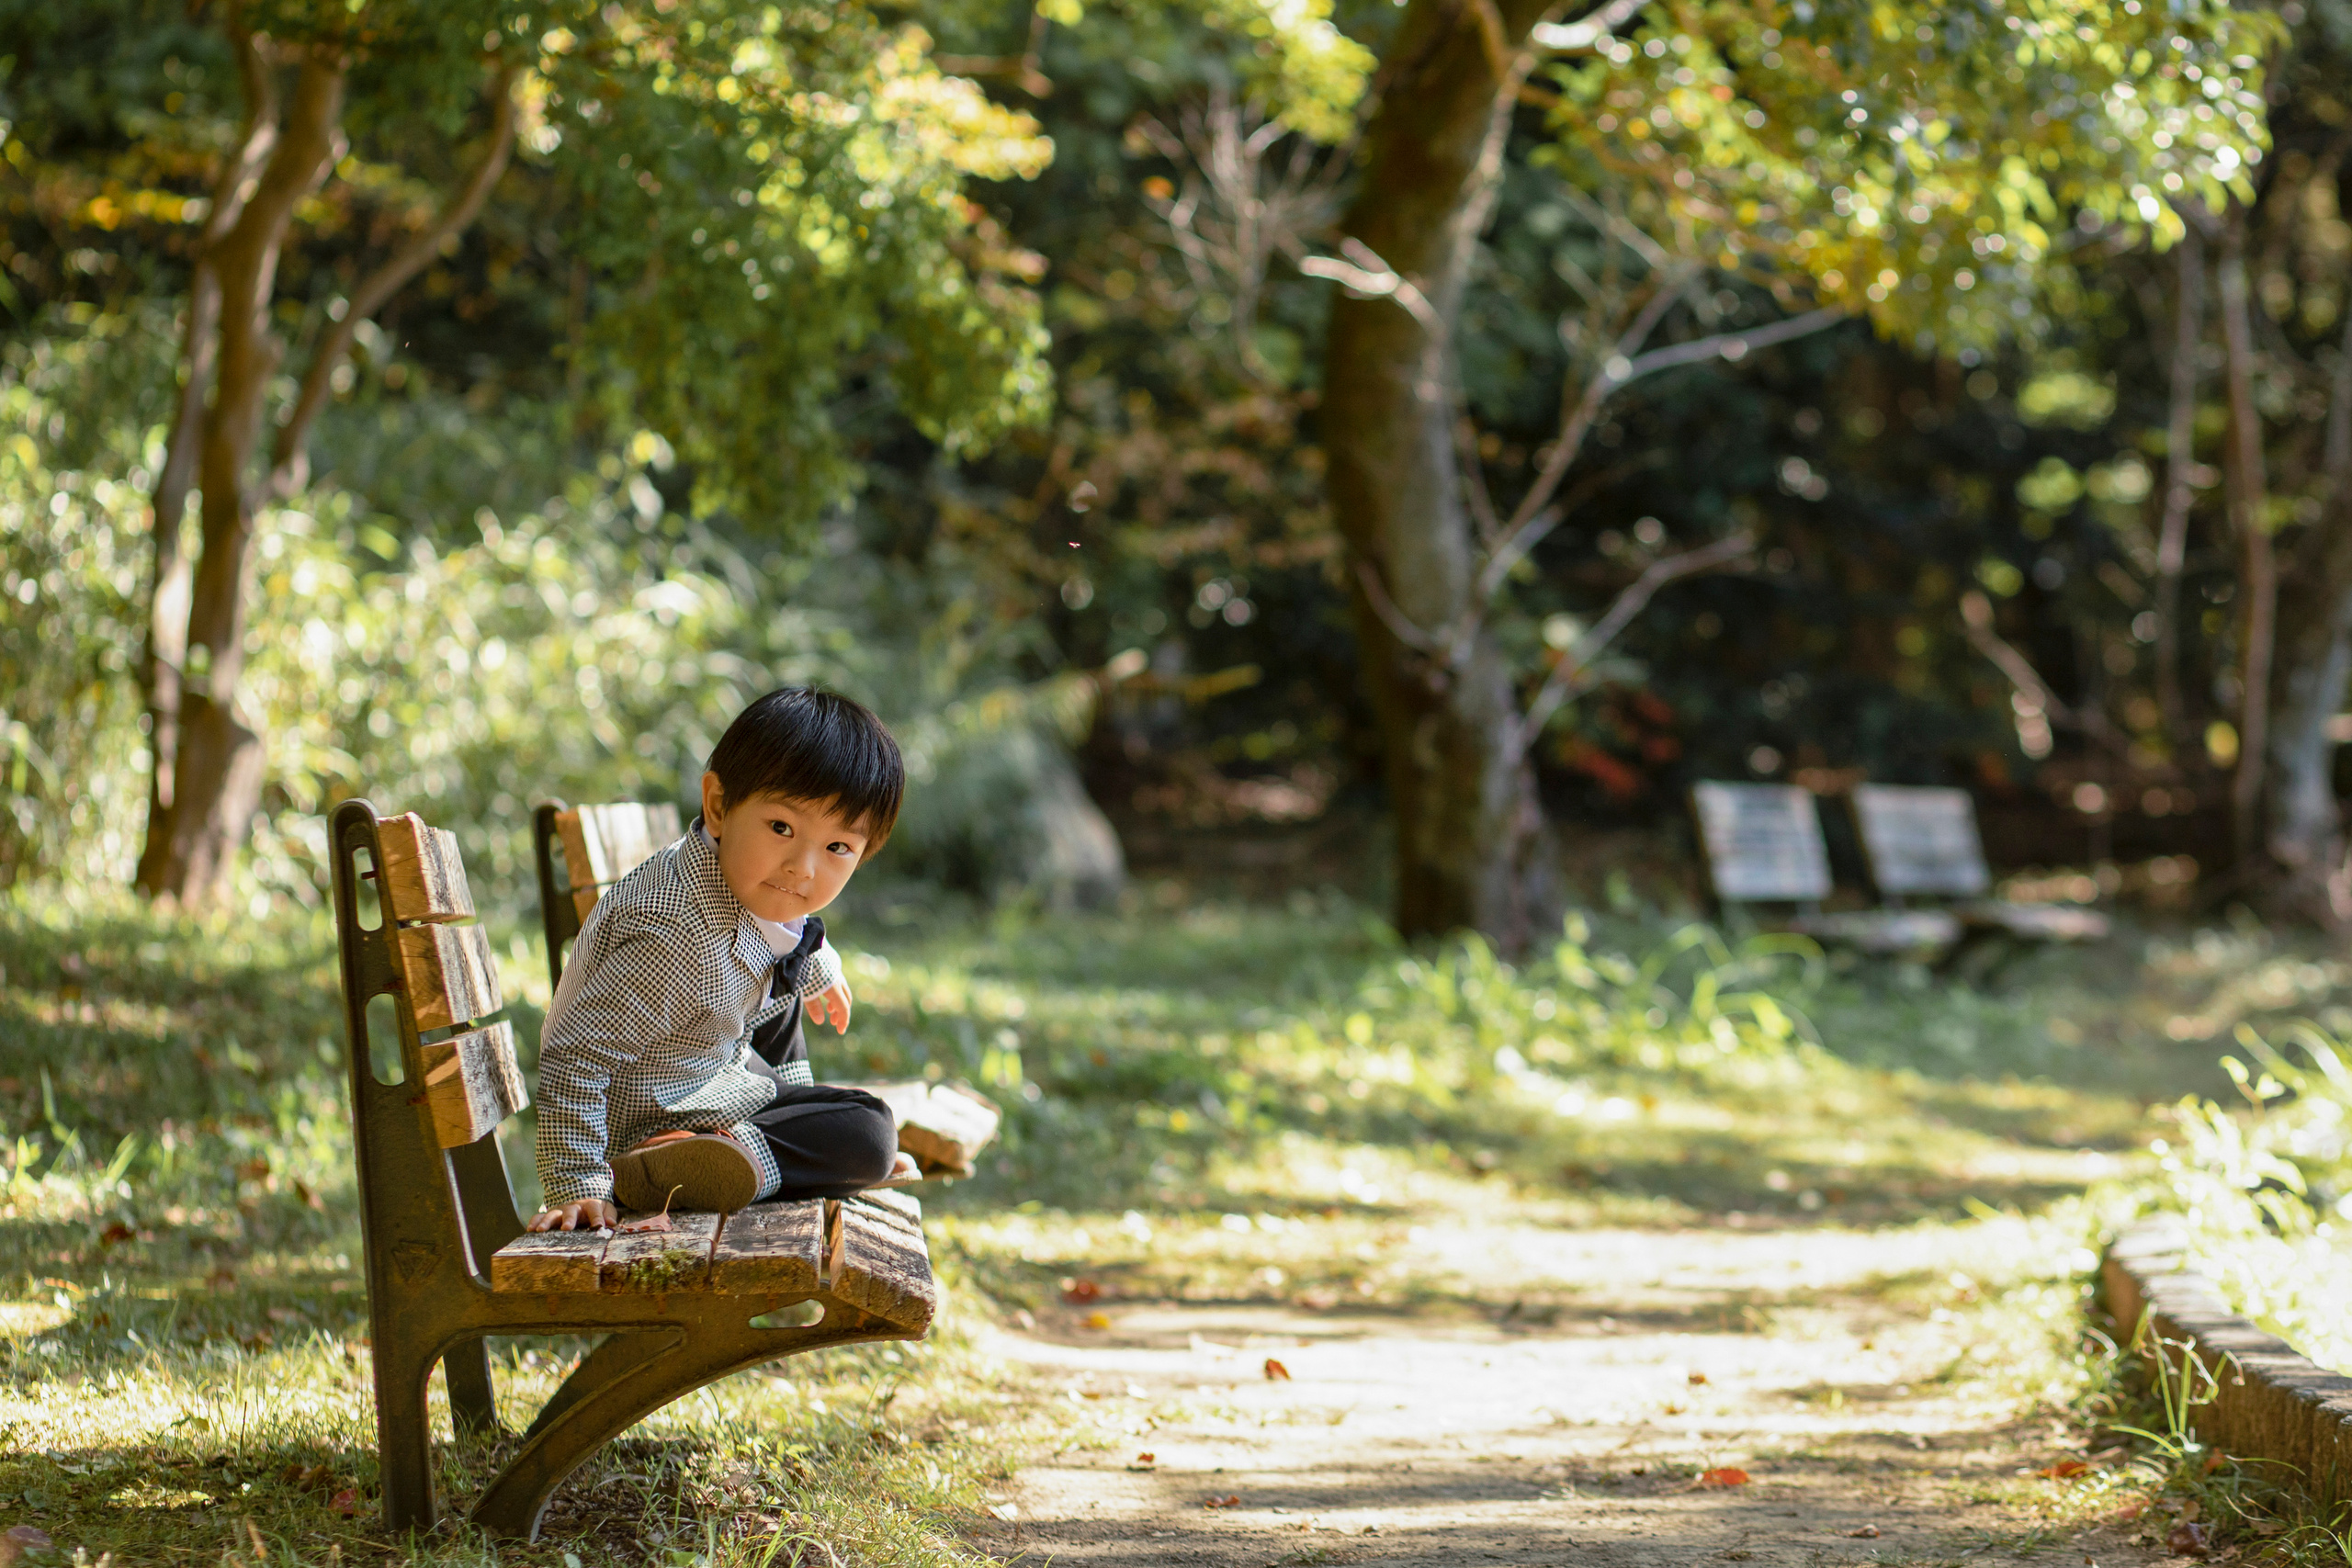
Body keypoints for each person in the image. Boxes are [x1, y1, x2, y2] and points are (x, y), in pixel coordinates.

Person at [526, 686, 914, 1232]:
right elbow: (578, 1052)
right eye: (782, 828)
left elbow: (787, 936)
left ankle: (778, 1146)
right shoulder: (671, 931)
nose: (803, 869)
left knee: (789, 995)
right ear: (718, 807)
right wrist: (577, 1182)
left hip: (703, 1072)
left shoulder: (729, 882)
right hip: (647, 1121)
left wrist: (821, 970)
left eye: (837, 849)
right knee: (870, 1131)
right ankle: (714, 1161)